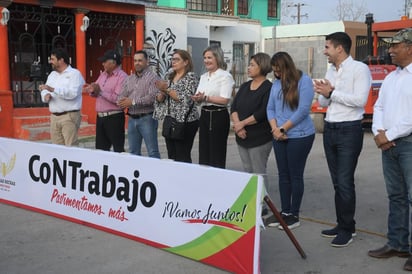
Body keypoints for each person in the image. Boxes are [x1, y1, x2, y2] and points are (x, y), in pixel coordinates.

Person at [313, 32, 371, 247]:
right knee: (337, 182)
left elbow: (360, 101)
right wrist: (323, 92)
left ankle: (347, 229)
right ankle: (342, 223)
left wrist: (332, 92)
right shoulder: (330, 69)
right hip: (330, 128)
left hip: (349, 130)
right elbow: (323, 101)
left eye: (327, 47)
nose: (324, 51)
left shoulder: (359, 69)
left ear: (340, 48)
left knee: (345, 181)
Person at [367, 28, 412, 271]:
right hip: (389, 144)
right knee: (396, 196)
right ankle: (398, 243)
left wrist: (388, 136)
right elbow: (379, 106)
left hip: (407, 143)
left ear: (410, 47)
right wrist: (378, 133)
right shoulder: (392, 77)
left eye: (395, 46)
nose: (390, 50)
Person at [266, 51, 315, 230]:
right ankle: (284, 212)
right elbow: (270, 108)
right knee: (283, 175)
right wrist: (274, 129)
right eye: (274, 71)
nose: (276, 74)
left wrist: (283, 128)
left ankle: (294, 214)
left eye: (279, 70)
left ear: (287, 66)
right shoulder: (276, 84)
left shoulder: (304, 81)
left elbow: (303, 110)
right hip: (278, 134)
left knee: (295, 175)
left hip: (300, 135)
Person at [230, 52, 273, 215]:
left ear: (262, 67)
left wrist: (242, 124)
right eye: (249, 64)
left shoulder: (268, 88)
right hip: (242, 136)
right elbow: (234, 107)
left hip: (259, 137)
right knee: (248, 171)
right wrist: (238, 126)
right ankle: (251, 201)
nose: (248, 68)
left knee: (259, 171)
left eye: (252, 65)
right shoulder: (245, 86)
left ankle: (263, 205)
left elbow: (262, 113)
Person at [191, 45, 235, 168]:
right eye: (205, 58)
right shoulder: (204, 77)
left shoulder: (225, 76)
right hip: (205, 114)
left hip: (218, 115)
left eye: (209, 57)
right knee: (204, 152)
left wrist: (205, 98)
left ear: (218, 58)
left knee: (217, 153)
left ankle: (217, 183)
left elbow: (225, 99)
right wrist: (197, 98)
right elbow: (200, 97)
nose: (206, 61)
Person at [154, 49, 199, 163]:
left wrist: (167, 89)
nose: (173, 62)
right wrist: (161, 92)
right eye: (172, 59)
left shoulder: (191, 77)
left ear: (186, 62)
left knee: (182, 155)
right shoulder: (169, 75)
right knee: (171, 155)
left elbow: (184, 98)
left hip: (186, 121)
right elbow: (162, 98)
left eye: (177, 59)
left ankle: (185, 179)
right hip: (170, 119)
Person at [117, 50, 160, 158]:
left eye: (140, 60)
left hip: (147, 118)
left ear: (147, 62)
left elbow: (151, 97)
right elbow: (121, 96)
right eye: (135, 60)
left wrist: (132, 101)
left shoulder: (153, 78)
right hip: (132, 119)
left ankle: (156, 174)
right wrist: (122, 101)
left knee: (152, 151)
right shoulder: (129, 79)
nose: (137, 63)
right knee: (133, 152)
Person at [83, 49, 127, 152]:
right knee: (100, 150)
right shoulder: (103, 74)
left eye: (105, 61)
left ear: (114, 63)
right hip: (101, 117)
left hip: (114, 117)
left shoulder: (122, 77)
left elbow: (118, 99)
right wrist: (91, 90)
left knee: (118, 149)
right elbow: (96, 90)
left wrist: (100, 92)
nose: (103, 64)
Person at [39, 48, 85, 146]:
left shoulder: (75, 74)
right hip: (54, 117)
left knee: (71, 148)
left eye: (52, 59)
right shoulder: (52, 75)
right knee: (57, 149)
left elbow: (73, 93)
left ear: (61, 60)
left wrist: (52, 89)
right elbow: (45, 89)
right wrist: (45, 94)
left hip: (69, 116)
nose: (50, 62)